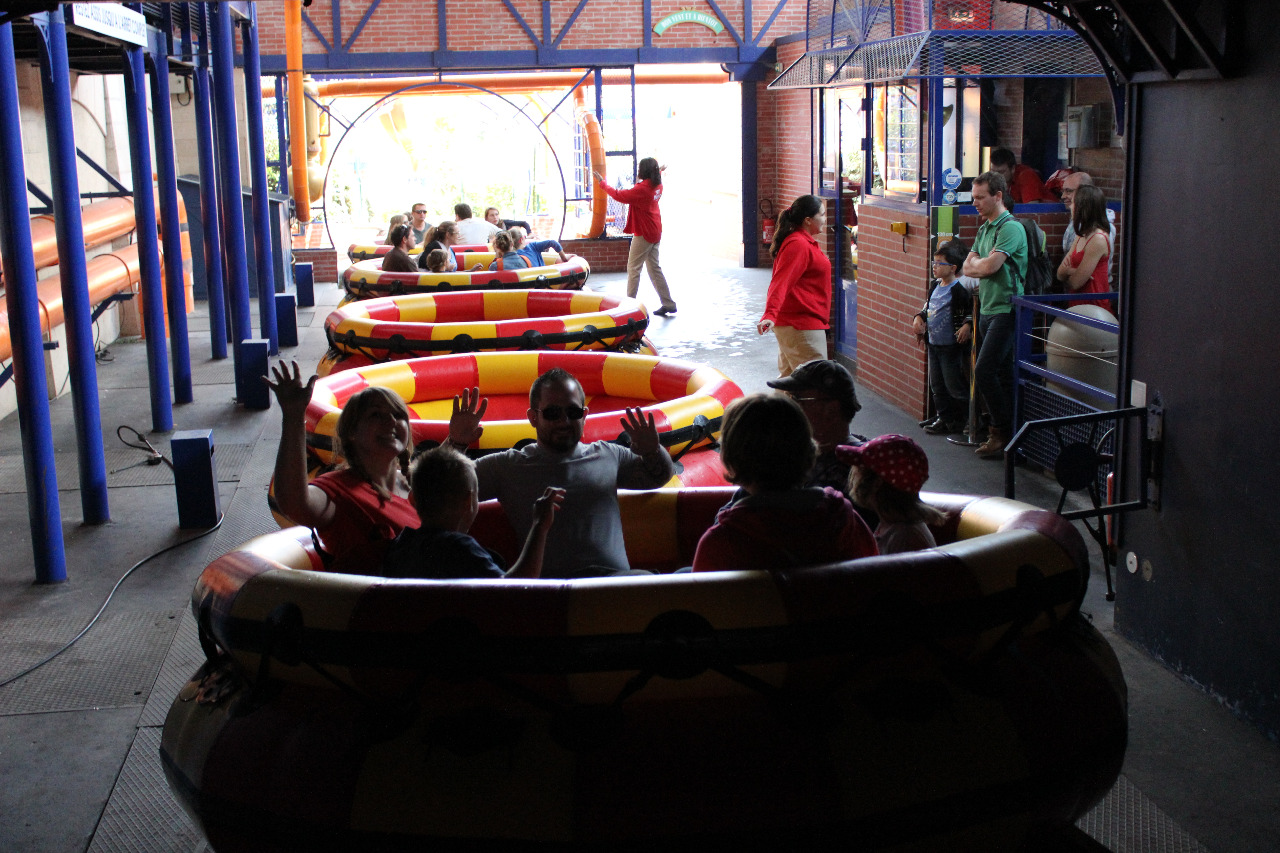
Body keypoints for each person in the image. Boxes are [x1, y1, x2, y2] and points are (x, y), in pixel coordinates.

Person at [446, 369, 674, 578]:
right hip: (552, 594)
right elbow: (441, 491)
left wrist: (653, 450)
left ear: (584, 415)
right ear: (533, 418)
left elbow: (659, 476)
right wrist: (455, 443)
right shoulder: (507, 466)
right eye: (552, 413)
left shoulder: (609, 455)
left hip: (614, 586)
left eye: (573, 412)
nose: (564, 421)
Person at [690, 394, 877, 572]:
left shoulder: (721, 540)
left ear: (731, 459)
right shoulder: (842, 518)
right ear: (808, 451)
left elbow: (699, 591)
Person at [266, 360, 418, 573]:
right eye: (376, 414)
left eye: (398, 415)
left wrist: (457, 440)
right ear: (352, 432)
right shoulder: (338, 491)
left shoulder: (416, 482)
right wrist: (293, 416)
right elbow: (295, 503)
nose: (392, 421)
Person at [382, 446, 564, 580]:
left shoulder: (401, 544)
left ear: (412, 499)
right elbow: (513, 589)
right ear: (468, 501)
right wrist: (539, 525)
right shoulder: (460, 549)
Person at [962, 171, 1027, 459]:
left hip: (1006, 309)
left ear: (998, 196)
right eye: (973, 197)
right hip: (987, 308)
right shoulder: (984, 229)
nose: (974, 203)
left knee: (985, 371)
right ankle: (1009, 437)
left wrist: (981, 264)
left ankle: (1000, 431)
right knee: (1000, 373)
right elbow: (967, 267)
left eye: (980, 197)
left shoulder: (1010, 228)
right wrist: (981, 264)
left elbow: (988, 267)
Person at [758, 194, 831, 378]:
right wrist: (770, 314)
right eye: (822, 215)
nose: (825, 219)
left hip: (798, 325)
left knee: (789, 384)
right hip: (801, 326)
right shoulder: (798, 245)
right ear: (808, 220)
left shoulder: (803, 242)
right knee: (815, 384)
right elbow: (781, 282)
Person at [595, 158, 677, 317]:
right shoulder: (657, 185)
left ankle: (629, 305)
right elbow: (653, 178)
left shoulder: (642, 189)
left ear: (643, 171)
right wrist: (659, 169)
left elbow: (619, 195)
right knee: (654, 269)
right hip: (655, 230)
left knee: (633, 269)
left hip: (644, 233)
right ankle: (668, 303)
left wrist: (602, 183)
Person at [837, 435, 945, 555]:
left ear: (877, 483)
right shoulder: (892, 523)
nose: (852, 474)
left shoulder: (905, 539)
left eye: (859, 469)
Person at [913, 240, 974, 435]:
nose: (935, 267)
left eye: (940, 264)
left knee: (954, 385)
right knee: (937, 385)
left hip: (950, 346)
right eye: (934, 263)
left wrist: (967, 325)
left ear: (953, 268)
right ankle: (944, 418)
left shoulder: (958, 290)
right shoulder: (935, 286)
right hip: (934, 343)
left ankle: (968, 419)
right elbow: (929, 308)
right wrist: (919, 319)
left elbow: (969, 311)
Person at [1056, 184, 1115, 312]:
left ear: (1083, 208)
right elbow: (1059, 274)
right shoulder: (1081, 234)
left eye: (1073, 203)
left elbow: (1076, 282)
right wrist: (1071, 271)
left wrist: (1069, 271)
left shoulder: (1098, 239)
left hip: (1094, 309)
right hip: (1076, 306)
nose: (1070, 207)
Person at [1060, 171, 1117, 283]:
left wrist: (1068, 272)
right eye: (1063, 191)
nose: (1063, 196)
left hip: (1093, 290)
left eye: (1068, 191)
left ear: (1085, 192)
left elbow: (1079, 280)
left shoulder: (1102, 228)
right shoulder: (1077, 220)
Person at [989, 147, 1057, 204]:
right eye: (993, 171)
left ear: (1013, 169)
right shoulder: (994, 180)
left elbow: (1031, 208)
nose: (996, 176)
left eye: (1001, 172)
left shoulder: (1026, 176)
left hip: (1052, 212)